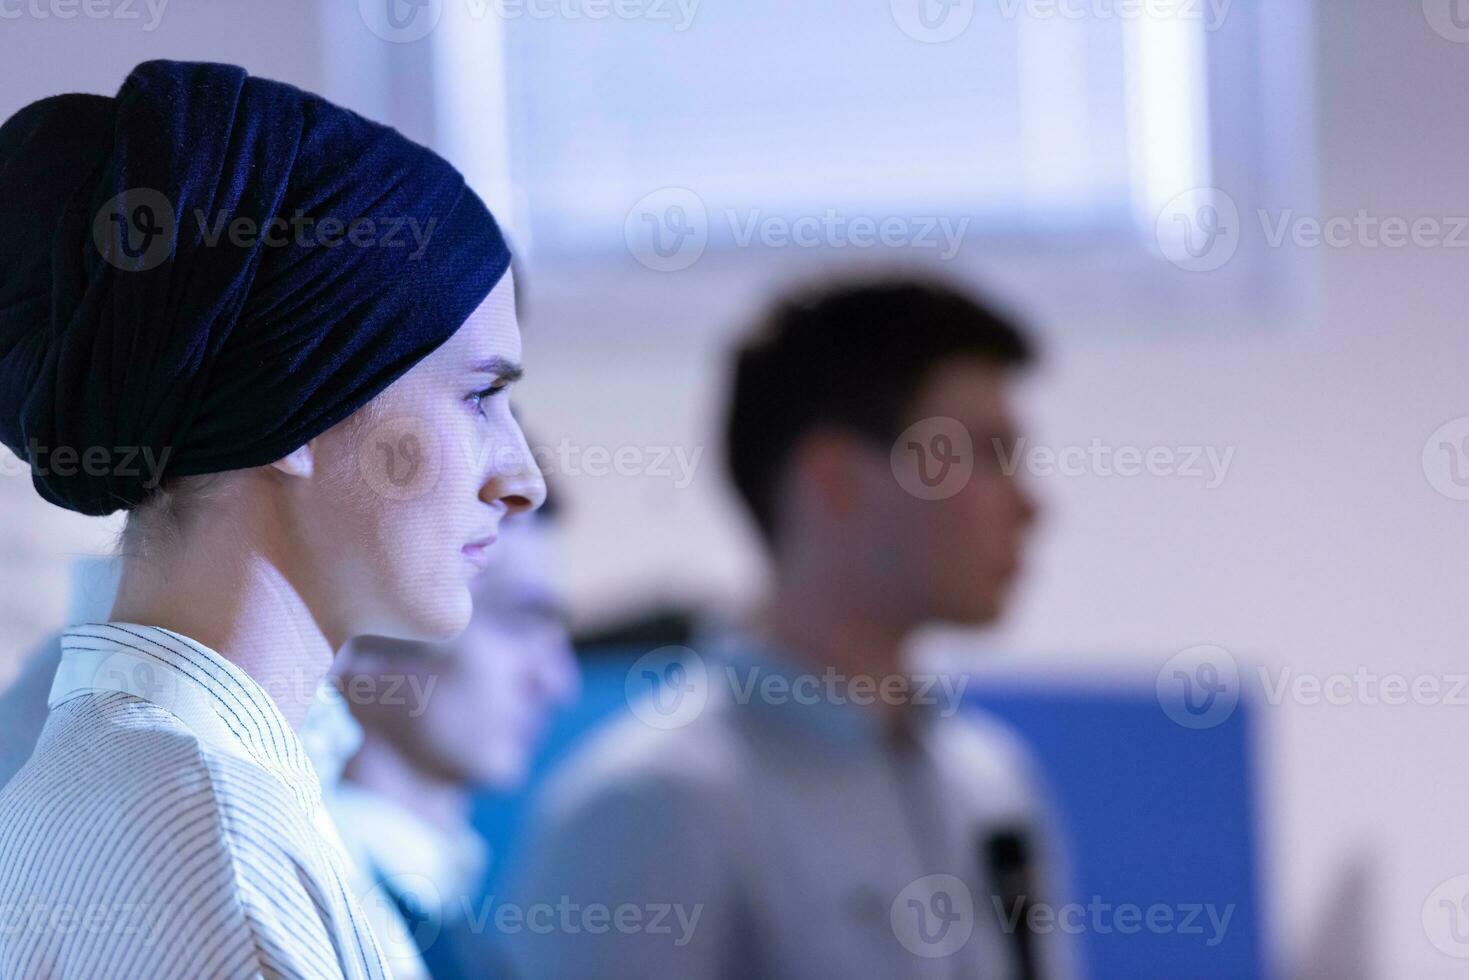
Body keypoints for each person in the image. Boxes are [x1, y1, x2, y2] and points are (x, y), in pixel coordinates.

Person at [0, 59, 544, 979]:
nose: (521, 479)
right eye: (481, 398)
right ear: (301, 412)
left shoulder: (189, 786)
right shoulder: (216, 847)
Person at [504, 276, 1074, 979]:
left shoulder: (991, 784)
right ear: (833, 478)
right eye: (984, 454)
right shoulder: (649, 812)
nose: (1028, 504)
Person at [328, 490, 579, 979]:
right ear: (367, 632)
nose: (557, 682)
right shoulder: (332, 911)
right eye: (518, 620)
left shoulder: (444, 915)